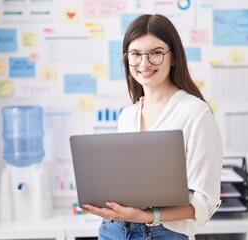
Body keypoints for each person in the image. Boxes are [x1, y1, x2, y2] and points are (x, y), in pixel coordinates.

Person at [83, 14, 223, 240]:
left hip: (164, 233)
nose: (144, 63)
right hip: (113, 230)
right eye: (135, 54)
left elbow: (204, 203)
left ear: (174, 57)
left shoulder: (196, 114)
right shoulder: (127, 116)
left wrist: (146, 216)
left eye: (156, 53)